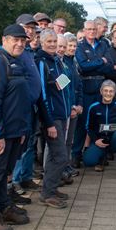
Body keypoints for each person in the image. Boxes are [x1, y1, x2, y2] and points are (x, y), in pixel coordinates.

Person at [0, 24, 37, 230]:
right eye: (15, 39)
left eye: (23, 40)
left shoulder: (16, 61)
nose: (20, 43)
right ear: (4, 39)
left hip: (15, 130)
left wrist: (22, 129)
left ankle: (4, 206)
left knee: (5, 172)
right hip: (0, 132)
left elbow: (19, 100)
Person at [35, 29, 72, 209]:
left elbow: (63, 85)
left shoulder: (56, 60)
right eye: (48, 41)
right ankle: (47, 194)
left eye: (54, 41)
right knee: (60, 156)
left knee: (55, 155)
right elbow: (42, 93)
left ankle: (50, 188)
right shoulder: (41, 62)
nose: (52, 44)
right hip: (52, 117)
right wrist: (48, 122)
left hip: (62, 114)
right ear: (42, 42)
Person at [11, 14, 44, 200]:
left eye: (33, 28)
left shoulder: (30, 52)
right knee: (20, 145)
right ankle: (15, 181)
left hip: (33, 106)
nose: (30, 31)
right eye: (27, 27)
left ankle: (26, 176)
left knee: (30, 142)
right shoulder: (16, 52)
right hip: (21, 108)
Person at [73, 21, 115, 167]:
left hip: (102, 89)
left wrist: (94, 63)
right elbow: (83, 67)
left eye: (93, 29)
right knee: (83, 123)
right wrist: (100, 62)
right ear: (84, 31)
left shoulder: (104, 45)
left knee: (102, 124)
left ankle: (100, 156)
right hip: (86, 88)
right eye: (88, 29)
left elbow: (109, 66)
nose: (91, 31)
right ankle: (76, 156)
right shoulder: (79, 46)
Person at [83, 80, 116, 181]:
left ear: (114, 93)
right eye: (105, 91)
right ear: (101, 91)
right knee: (88, 160)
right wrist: (96, 140)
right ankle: (101, 159)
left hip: (115, 139)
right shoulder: (93, 107)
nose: (108, 93)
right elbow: (89, 127)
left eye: (111, 91)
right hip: (101, 140)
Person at [57, 34, 83, 179]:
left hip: (74, 107)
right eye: (69, 46)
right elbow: (63, 88)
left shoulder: (74, 63)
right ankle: (60, 169)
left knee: (69, 141)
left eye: (74, 46)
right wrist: (72, 106)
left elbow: (78, 85)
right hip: (66, 108)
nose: (72, 48)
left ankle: (66, 165)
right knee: (63, 142)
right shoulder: (62, 63)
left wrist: (79, 104)